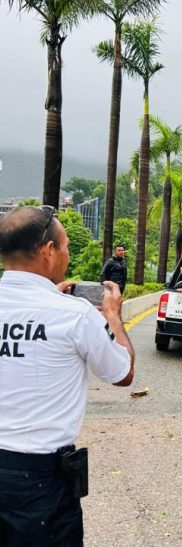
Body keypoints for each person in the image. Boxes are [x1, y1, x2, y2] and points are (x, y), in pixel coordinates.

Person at [0, 205, 135, 546]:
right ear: (47, 252)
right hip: (39, 485)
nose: (66, 254)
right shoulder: (74, 315)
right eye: (65, 247)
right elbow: (123, 373)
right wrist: (113, 317)